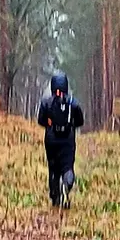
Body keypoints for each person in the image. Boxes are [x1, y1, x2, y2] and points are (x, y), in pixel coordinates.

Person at [36, 71, 83, 207]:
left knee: (53, 168)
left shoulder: (46, 102)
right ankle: (67, 184)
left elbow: (41, 120)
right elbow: (80, 121)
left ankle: (55, 197)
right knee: (67, 166)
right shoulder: (73, 103)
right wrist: (71, 126)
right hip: (68, 140)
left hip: (51, 140)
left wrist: (50, 126)